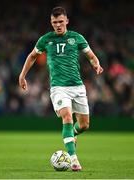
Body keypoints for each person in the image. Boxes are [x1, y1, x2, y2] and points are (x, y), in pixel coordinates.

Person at [19, 6, 103, 171]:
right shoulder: (45, 40)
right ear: (51, 22)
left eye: (60, 22)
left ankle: (72, 134)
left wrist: (96, 65)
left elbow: (91, 56)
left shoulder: (76, 38)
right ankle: (73, 159)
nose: (57, 25)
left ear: (67, 21)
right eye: (54, 22)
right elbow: (32, 56)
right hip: (58, 88)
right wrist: (22, 75)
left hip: (77, 86)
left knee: (84, 125)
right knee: (67, 116)